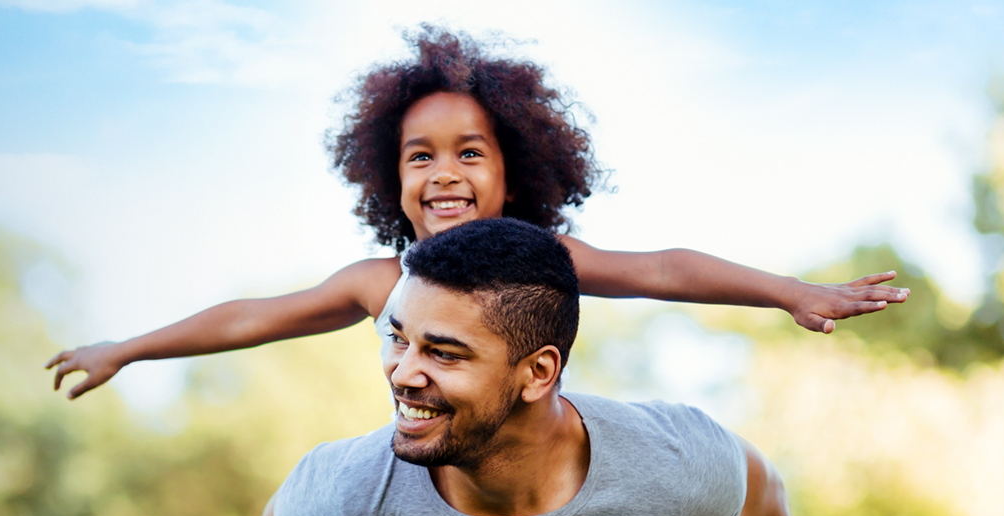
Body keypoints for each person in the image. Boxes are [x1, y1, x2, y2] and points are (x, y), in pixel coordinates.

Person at [46, 25, 906, 400]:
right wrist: (127, 347)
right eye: (421, 155)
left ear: (512, 169)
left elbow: (663, 269)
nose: (444, 173)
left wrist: (794, 290)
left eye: (470, 151)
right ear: (391, 177)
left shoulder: (539, 256)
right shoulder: (381, 280)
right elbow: (251, 317)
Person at [256, 218, 797, 516]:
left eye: (443, 353)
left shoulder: (675, 462)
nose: (403, 374)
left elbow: (766, 508)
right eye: (399, 339)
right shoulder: (345, 497)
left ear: (538, 372)